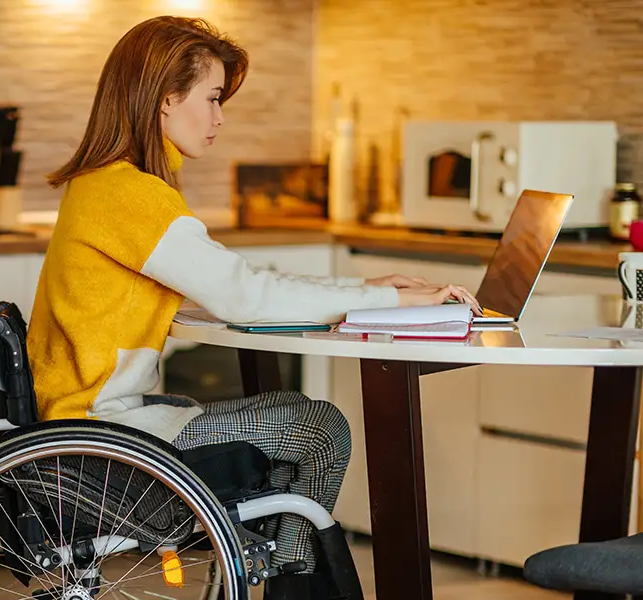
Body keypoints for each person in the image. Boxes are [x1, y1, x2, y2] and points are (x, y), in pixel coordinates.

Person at [24, 15, 478, 600]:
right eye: (212, 99)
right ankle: (291, 580)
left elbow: (237, 288)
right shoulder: (128, 194)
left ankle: (279, 574)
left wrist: (366, 285)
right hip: (109, 437)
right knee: (318, 427)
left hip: (102, 422)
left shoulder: (108, 187)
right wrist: (387, 299)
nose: (219, 118)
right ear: (166, 100)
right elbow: (245, 295)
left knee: (296, 413)